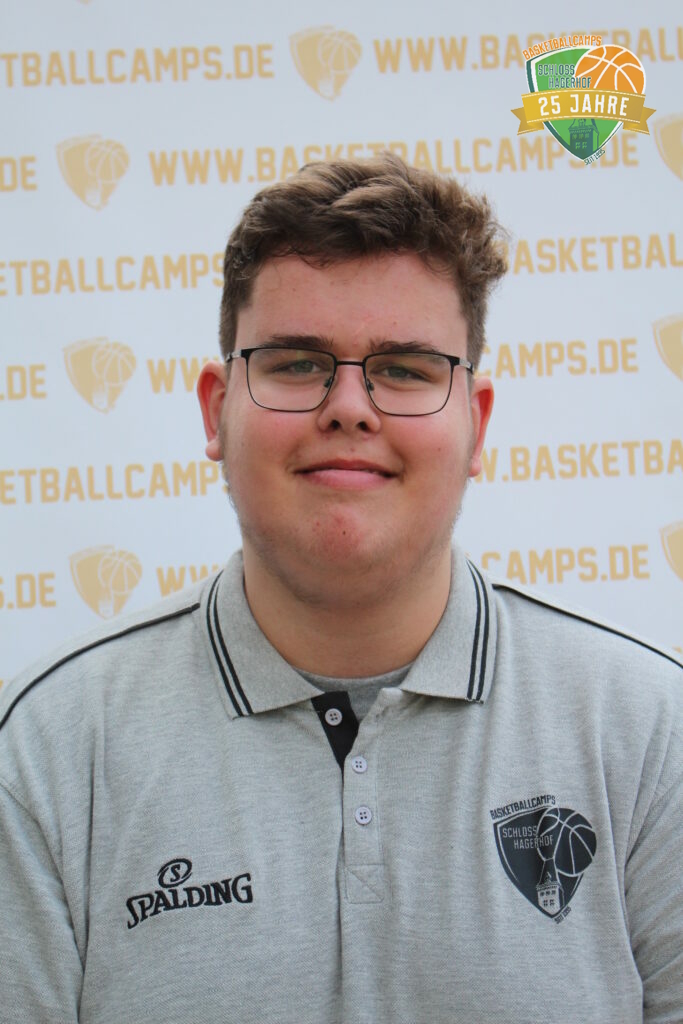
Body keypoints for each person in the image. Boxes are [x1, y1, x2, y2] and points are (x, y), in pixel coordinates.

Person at [0, 154, 680, 1024]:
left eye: (405, 369)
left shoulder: (649, 732)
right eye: (296, 362)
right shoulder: (47, 752)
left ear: (476, 425)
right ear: (215, 410)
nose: (350, 406)